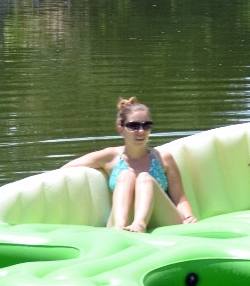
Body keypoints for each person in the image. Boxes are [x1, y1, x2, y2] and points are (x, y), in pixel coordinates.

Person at [61, 97, 197, 232]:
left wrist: (189, 217)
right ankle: (120, 225)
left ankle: (139, 224)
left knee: (144, 178)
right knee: (126, 175)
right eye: (134, 126)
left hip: (162, 220)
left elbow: (180, 198)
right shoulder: (110, 157)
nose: (141, 131)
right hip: (123, 222)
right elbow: (67, 168)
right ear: (121, 130)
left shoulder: (163, 158)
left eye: (146, 125)